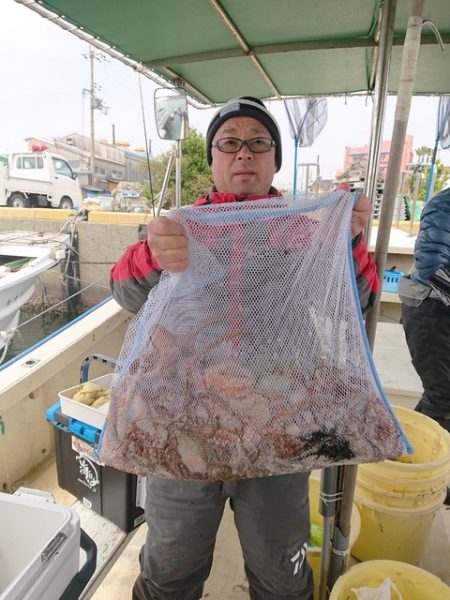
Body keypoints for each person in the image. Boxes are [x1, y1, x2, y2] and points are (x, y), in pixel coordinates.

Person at [110, 96, 378, 600]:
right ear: (211, 160)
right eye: (229, 143)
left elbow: (360, 297)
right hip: (185, 421)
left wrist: (348, 242)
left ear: (276, 160)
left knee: (281, 573)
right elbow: (124, 290)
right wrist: (152, 252)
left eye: (259, 143)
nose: (244, 154)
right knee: (170, 566)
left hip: (276, 425)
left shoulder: (306, 230)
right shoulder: (178, 226)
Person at [399, 186, 450, 503]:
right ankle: (422, 478)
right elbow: (432, 264)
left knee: (441, 394)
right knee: (443, 396)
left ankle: (409, 460)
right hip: (429, 310)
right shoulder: (443, 206)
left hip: (441, 309)